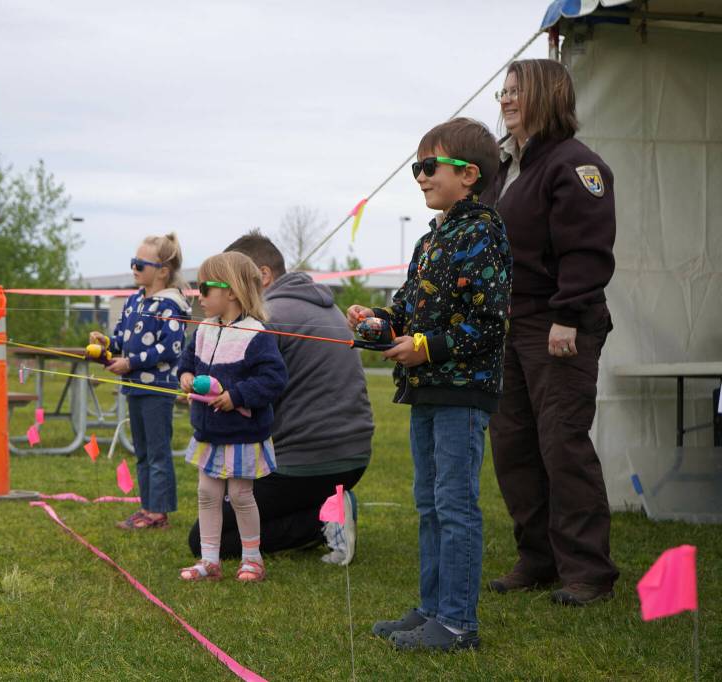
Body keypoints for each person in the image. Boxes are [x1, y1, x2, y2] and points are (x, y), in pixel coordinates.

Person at [359, 118, 510, 651]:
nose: (420, 177)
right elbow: (405, 311)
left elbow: (488, 324)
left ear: (468, 174)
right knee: (428, 504)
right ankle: (430, 610)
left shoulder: (482, 234)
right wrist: (377, 325)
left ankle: (457, 624)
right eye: (415, 169)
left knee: (455, 506)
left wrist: (427, 347)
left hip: (462, 392)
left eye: (429, 167)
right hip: (425, 390)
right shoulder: (432, 239)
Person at [481, 59, 619, 606]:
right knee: (512, 443)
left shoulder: (577, 166)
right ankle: (538, 558)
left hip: (558, 322)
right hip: (509, 325)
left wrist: (567, 314)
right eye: (503, 92)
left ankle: (588, 572)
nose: (506, 100)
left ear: (546, 95)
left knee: (561, 443)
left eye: (516, 92)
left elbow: (587, 249)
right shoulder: (502, 166)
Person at [185, 230, 373, 566]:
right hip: (353, 455)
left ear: (260, 276)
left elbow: (256, 385)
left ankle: (323, 520)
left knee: (204, 537)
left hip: (307, 462)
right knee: (233, 502)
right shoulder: (318, 303)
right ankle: (328, 504)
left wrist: (211, 393)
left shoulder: (265, 320)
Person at [177, 252, 288, 582]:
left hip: (242, 433)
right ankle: (209, 561)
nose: (200, 294)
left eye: (205, 287)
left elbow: (273, 380)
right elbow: (186, 364)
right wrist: (184, 377)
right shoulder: (203, 330)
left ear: (232, 291)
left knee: (240, 496)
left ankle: (252, 559)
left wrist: (235, 396)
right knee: (207, 494)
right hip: (209, 433)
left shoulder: (257, 334)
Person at [90, 233, 191, 530]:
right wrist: (106, 342)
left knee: (158, 451)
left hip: (156, 388)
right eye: (133, 263)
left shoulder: (170, 306)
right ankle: (147, 507)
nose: (134, 268)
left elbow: (170, 348)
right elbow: (122, 337)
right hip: (134, 386)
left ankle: (158, 512)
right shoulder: (135, 300)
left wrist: (130, 363)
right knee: (143, 451)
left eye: (140, 264)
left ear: (162, 271)